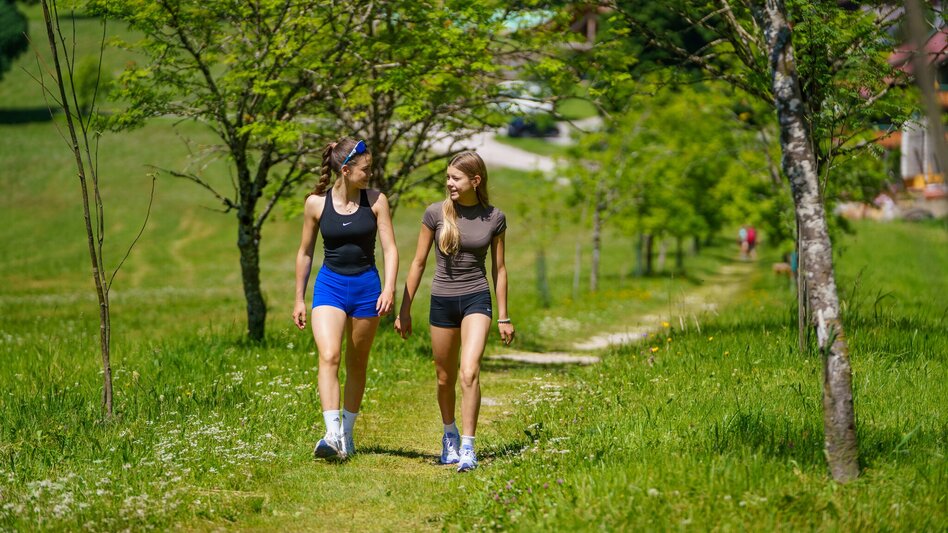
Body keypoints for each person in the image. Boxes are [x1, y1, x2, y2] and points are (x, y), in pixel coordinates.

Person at [394, 151, 514, 473]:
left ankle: (469, 448)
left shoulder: (495, 218)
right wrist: (404, 309)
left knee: (468, 371)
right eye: (447, 178)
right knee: (444, 377)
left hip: (476, 298)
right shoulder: (435, 214)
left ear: (475, 181)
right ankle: (449, 434)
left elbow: (499, 269)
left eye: (455, 178)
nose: (449, 183)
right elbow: (418, 263)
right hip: (442, 301)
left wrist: (503, 316)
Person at [293, 138, 398, 460]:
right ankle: (332, 432)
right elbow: (305, 251)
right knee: (329, 355)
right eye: (365, 169)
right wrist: (299, 298)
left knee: (357, 362)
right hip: (330, 287)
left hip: (367, 288)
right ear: (346, 169)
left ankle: (347, 434)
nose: (370, 173)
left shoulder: (377, 200)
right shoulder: (315, 204)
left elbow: (390, 249)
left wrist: (389, 288)